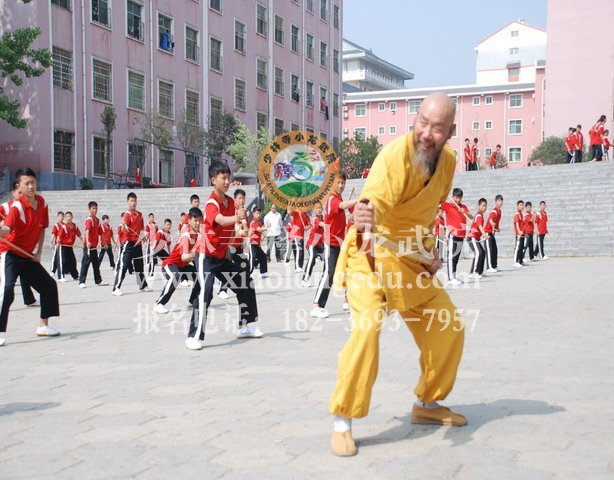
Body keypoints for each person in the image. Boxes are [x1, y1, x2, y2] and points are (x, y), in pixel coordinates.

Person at [329, 93, 466, 458]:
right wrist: (364, 214)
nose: (426, 133)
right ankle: (343, 419)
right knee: (367, 328)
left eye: (437, 128)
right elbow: (373, 202)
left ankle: (427, 403)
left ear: (450, 132)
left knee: (447, 327)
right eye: (423, 122)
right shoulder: (393, 156)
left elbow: (427, 211)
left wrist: (429, 251)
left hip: (410, 260)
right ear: (414, 119)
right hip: (370, 253)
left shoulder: (449, 163)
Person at [186, 161, 263, 350]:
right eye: (223, 177)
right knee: (207, 291)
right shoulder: (212, 202)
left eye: (229, 177)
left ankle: (245, 327)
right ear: (213, 180)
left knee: (245, 281)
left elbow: (230, 229)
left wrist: (241, 231)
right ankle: (193, 336)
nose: (227, 181)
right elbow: (219, 220)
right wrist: (237, 218)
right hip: (206, 256)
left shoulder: (229, 203)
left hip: (222, 255)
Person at [0, 167, 61, 346]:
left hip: (28, 256)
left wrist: (39, 252)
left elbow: (42, 228)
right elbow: (6, 230)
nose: (31, 186)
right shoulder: (17, 206)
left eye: (33, 182)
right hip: (10, 254)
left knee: (49, 285)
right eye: (26, 183)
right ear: (19, 185)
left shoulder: (42, 203)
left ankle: (43, 325)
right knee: (7, 289)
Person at [311, 172, 359, 319]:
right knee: (329, 273)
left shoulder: (338, 197)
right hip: (330, 242)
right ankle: (316, 305)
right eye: (338, 183)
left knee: (347, 271)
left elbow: (346, 208)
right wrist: (359, 199)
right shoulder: (332, 198)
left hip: (340, 242)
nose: (340, 185)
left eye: (343, 183)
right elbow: (343, 206)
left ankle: (348, 301)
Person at [153, 208, 201, 314]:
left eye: (199, 221)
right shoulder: (186, 236)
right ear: (189, 221)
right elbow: (184, 257)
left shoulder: (197, 236)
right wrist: (194, 254)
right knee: (176, 276)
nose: (198, 223)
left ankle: (193, 300)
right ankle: (158, 303)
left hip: (182, 266)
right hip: (169, 265)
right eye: (195, 220)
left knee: (200, 276)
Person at [0, 180, 39, 307]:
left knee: (25, 274)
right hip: (6, 249)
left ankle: (29, 300)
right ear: (13, 193)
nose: (22, 195)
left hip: (21, 247)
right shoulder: (5, 207)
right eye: (19, 192)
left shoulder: (27, 207)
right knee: (6, 283)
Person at [111, 192, 152, 295]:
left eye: (135, 201)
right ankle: (116, 288)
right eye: (131, 201)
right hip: (128, 243)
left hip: (137, 244)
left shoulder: (140, 214)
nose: (133, 203)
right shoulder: (127, 214)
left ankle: (142, 285)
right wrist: (124, 226)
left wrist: (143, 237)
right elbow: (125, 230)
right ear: (128, 202)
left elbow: (142, 229)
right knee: (123, 265)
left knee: (139, 266)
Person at [218, 189, 249, 299]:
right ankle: (222, 290)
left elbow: (246, 231)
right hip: (230, 244)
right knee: (227, 267)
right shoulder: (231, 210)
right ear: (235, 199)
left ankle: (244, 287)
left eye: (243, 198)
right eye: (239, 198)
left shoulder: (244, 212)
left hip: (239, 245)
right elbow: (234, 229)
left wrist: (245, 227)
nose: (242, 201)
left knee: (245, 266)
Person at [441, 188, 472, 285]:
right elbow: (439, 200)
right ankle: (450, 278)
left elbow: (471, 217)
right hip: (452, 234)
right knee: (451, 256)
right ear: (453, 197)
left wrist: (465, 212)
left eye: (459, 197)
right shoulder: (448, 206)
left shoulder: (464, 207)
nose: (458, 199)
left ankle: (454, 276)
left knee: (456, 257)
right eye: (456, 197)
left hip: (461, 235)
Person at [78, 201, 103, 288]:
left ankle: (98, 280)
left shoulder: (97, 220)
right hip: (88, 246)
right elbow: (87, 231)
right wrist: (87, 242)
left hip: (94, 247)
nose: (95, 210)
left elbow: (100, 233)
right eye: (93, 208)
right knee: (85, 263)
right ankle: (81, 282)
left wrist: (103, 243)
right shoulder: (89, 220)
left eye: (96, 208)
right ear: (89, 209)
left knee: (96, 264)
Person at [302, 205, 324, 287]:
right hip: (312, 244)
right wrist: (328, 224)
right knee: (311, 259)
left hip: (319, 245)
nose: (318, 210)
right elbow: (320, 224)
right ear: (314, 210)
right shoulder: (315, 219)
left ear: (322, 209)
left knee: (318, 260)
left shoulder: (322, 218)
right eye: (316, 208)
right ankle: (304, 280)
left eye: (319, 208)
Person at [57, 211, 81, 282]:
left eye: (69, 216)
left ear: (72, 217)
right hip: (62, 246)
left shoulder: (75, 226)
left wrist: (84, 242)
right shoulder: (64, 227)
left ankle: (75, 276)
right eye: (67, 217)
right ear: (65, 218)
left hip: (70, 246)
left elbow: (79, 235)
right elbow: (59, 236)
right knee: (63, 261)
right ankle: (61, 277)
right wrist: (58, 241)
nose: (68, 218)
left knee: (72, 261)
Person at [467, 198, 488, 279]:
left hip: (475, 238)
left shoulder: (480, 215)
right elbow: (479, 226)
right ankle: (473, 272)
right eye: (483, 206)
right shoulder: (479, 215)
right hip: (471, 237)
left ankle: (479, 271)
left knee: (482, 252)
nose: (484, 208)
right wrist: (484, 235)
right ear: (479, 206)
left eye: (485, 206)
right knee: (478, 253)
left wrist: (482, 235)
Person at [484, 195, 503, 273]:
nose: (500, 202)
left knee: (495, 250)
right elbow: (491, 221)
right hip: (487, 232)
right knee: (489, 250)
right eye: (498, 201)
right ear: (495, 202)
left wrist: (496, 229)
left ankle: (494, 265)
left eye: (501, 201)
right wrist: (493, 228)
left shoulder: (499, 211)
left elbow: (496, 222)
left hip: (492, 232)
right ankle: (489, 267)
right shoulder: (494, 211)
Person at [248, 208, 268, 278]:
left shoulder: (258, 222)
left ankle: (264, 273)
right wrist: (266, 228)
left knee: (263, 256)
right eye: (257, 213)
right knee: (252, 258)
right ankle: (248, 273)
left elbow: (261, 231)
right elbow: (259, 230)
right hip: (252, 244)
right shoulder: (253, 222)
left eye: (259, 213)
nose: (258, 215)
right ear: (253, 214)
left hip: (257, 244)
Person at [289, 207, 310, 273]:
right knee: (299, 250)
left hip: (301, 235)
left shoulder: (305, 215)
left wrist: (307, 227)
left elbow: (309, 224)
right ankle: (297, 266)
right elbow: (290, 209)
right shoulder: (296, 213)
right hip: (295, 234)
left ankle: (300, 266)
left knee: (300, 250)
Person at [49, 210, 64, 276]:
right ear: (58, 217)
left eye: (62, 216)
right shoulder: (56, 225)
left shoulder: (64, 225)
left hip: (64, 244)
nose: (61, 217)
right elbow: (53, 233)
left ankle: (65, 270)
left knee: (64, 258)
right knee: (55, 257)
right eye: (60, 216)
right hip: (58, 244)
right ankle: (52, 270)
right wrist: (52, 241)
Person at [513, 200, 525, 268]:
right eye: (520, 205)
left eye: (522, 205)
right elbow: (516, 223)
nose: (522, 206)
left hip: (522, 233)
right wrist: (519, 231)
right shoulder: (517, 214)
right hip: (519, 234)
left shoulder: (521, 214)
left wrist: (524, 233)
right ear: (517, 206)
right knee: (518, 247)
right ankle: (515, 262)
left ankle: (520, 261)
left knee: (521, 247)